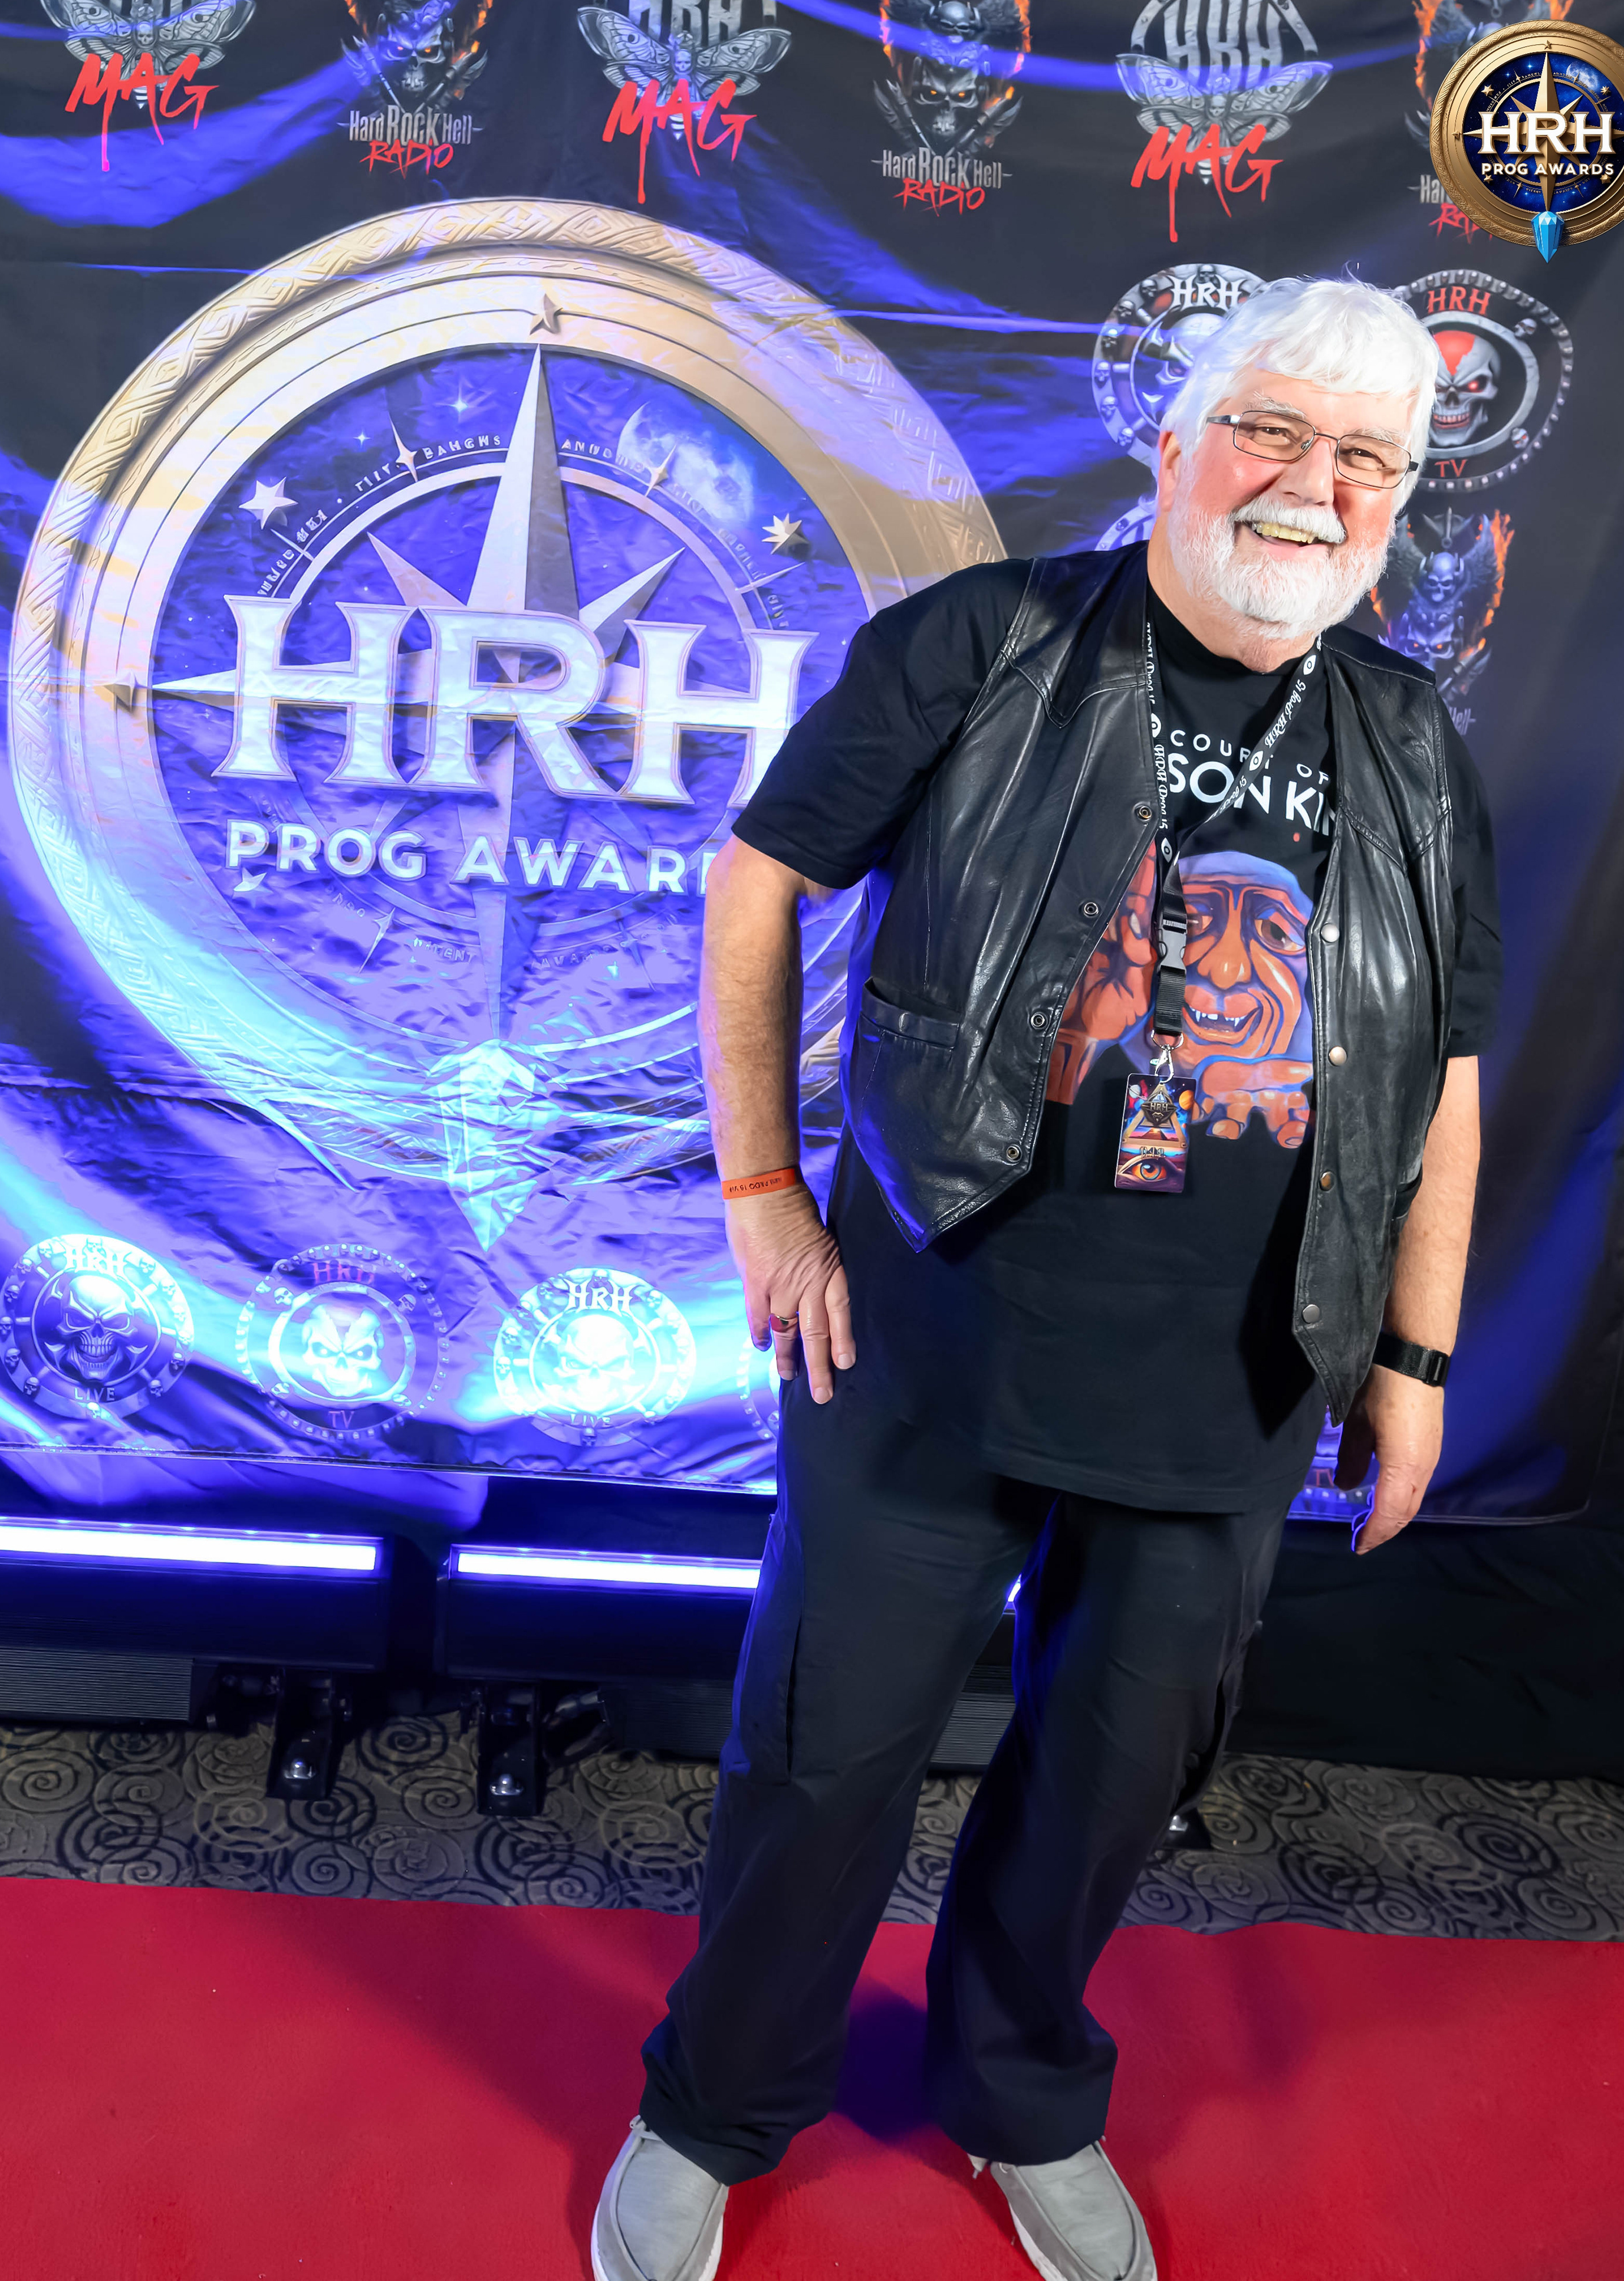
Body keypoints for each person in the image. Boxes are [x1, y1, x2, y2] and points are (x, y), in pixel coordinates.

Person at [590, 275, 1501, 2281]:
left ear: (1397, 500)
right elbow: (758, 877)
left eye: (1366, 458)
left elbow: (1440, 1070)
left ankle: (1019, 2096)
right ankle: (716, 2100)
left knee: (1109, 1784)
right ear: (1176, 444)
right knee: (822, 1762)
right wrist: (760, 1191)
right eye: (1273, 430)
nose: (1315, 486)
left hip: (1236, 1381)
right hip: (929, 1342)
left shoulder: (1410, 741)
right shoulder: (983, 646)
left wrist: (1415, 1356)